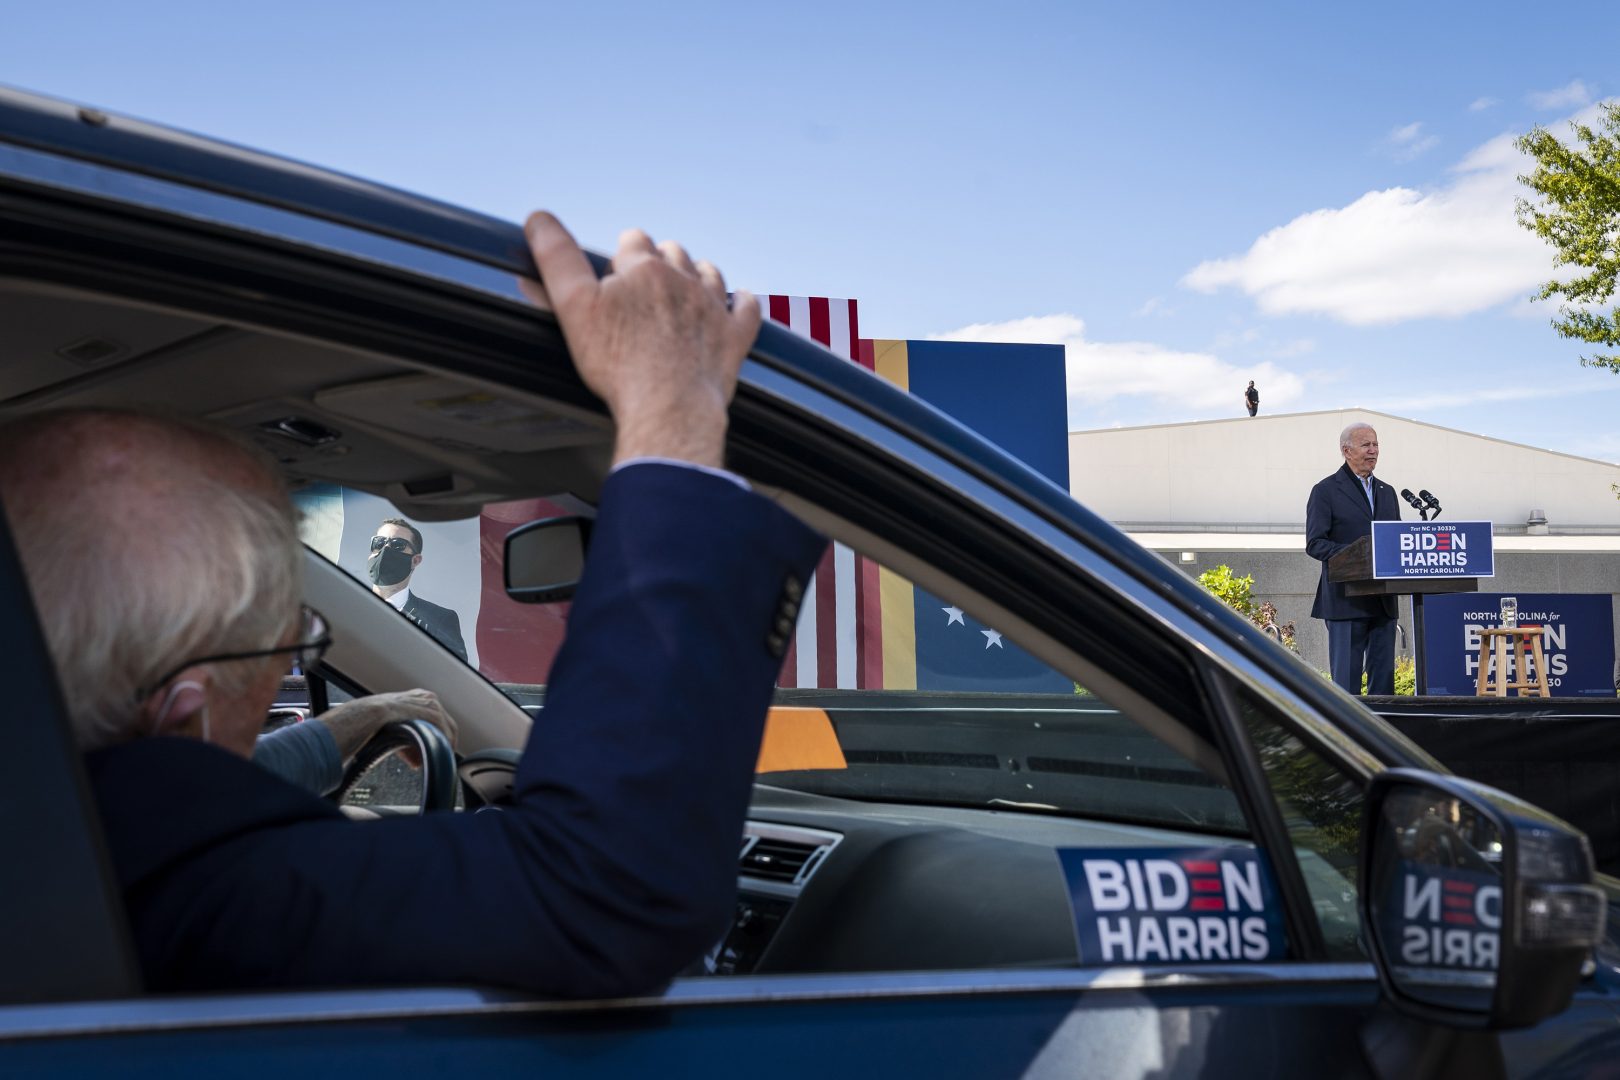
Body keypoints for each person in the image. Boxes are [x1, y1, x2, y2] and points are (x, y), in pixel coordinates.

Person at [0, 212, 826, 995]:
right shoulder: (204, 898)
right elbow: (607, 889)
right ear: (181, 715)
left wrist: (370, 716)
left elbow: (222, 777)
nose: (291, 666)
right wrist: (674, 416)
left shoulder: (64, 847)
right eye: (283, 651)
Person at [1305, 422, 1401, 695]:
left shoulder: (1388, 492)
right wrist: (1357, 554)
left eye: (1376, 444)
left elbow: (1396, 540)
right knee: (1346, 688)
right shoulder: (1325, 491)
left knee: (1384, 687)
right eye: (1366, 445)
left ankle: (1382, 734)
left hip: (1383, 601)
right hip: (1345, 601)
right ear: (1346, 450)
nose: (1373, 451)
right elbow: (1315, 544)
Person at [367, 517, 468, 662]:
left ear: (415, 560)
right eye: (379, 543)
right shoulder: (342, 607)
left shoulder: (439, 619)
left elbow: (454, 677)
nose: (385, 549)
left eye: (398, 545)